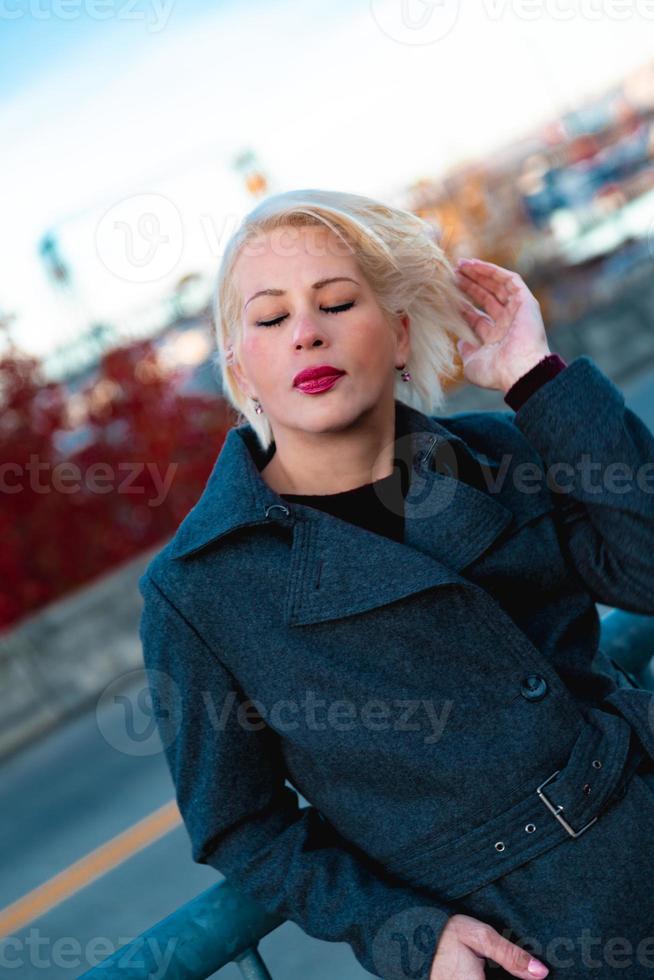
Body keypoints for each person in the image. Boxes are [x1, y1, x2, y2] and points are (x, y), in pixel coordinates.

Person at [138, 188, 654, 979]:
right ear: (241, 365)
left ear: (402, 333)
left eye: (337, 303)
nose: (306, 332)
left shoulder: (496, 453)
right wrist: (406, 933)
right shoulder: (200, 586)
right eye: (271, 319)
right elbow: (240, 828)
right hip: (528, 945)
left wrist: (534, 378)